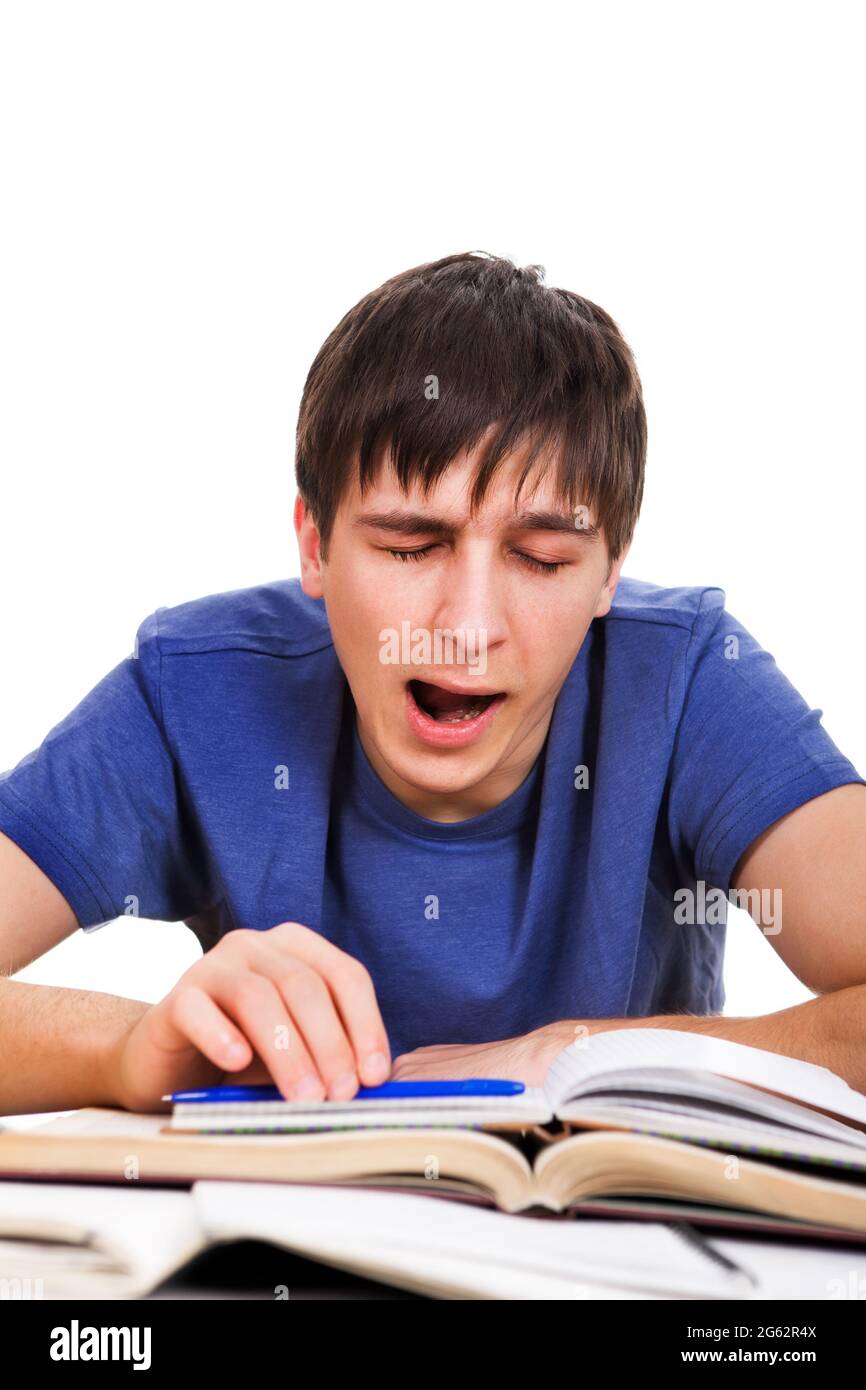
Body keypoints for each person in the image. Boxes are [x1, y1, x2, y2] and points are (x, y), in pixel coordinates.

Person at [1, 251, 864, 1117]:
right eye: (411, 547)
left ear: (610, 573)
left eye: (540, 559)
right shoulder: (199, 688)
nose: (465, 626)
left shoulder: (688, 679)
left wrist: (577, 1054)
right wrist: (122, 1052)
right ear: (315, 544)